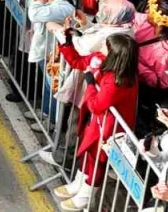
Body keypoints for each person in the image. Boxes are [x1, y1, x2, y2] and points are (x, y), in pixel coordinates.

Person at [53, 33, 139, 211]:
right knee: (87, 155)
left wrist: (91, 85)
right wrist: (67, 44)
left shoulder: (117, 80)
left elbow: (96, 105)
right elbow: (79, 62)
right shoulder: (109, 65)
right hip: (96, 123)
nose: (101, 47)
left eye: (105, 46)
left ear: (114, 54)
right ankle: (78, 184)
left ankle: (86, 196)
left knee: (96, 161)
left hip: (107, 128)